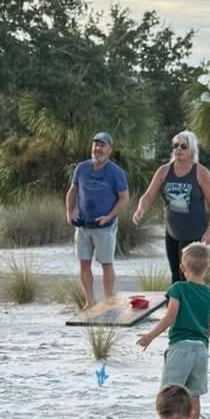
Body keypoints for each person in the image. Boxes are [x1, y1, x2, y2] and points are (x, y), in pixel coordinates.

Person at [135, 241, 210, 419]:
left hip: (180, 347)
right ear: (208, 269)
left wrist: (150, 336)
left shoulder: (179, 288)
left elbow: (170, 316)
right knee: (194, 395)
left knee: (170, 393)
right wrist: (202, 341)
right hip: (201, 349)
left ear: (182, 268)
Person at [131, 129, 210, 286]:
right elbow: (148, 195)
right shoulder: (164, 171)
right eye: (175, 145)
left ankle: (191, 301)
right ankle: (176, 301)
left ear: (192, 149)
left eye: (183, 146)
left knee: (190, 276)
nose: (178, 149)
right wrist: (140, 210)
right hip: (172, 232)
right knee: (175, 273)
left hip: (194, 234)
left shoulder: (201, 173)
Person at [65, 132, 129, 309]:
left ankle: (108, 301)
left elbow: (124, 198)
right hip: (83, 225)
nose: (98, 148)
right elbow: (73, 190)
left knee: (106, 264)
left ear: (109, 150)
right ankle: (89, 301)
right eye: (96, 145)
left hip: (104, 226)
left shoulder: (116, 172)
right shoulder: (81, 168)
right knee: (84, 263)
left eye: (102, 145)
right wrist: (69, 212)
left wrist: (109, 216)